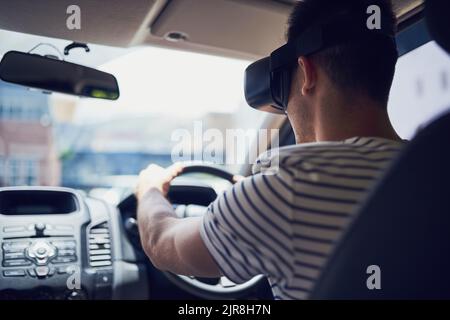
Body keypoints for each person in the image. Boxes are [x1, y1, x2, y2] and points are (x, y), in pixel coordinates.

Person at [135, 0, 404, 300]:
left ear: (307, 71)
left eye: (284, 93)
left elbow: (162, 244)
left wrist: (150, 191)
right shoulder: (434, 167)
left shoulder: (288, 188)